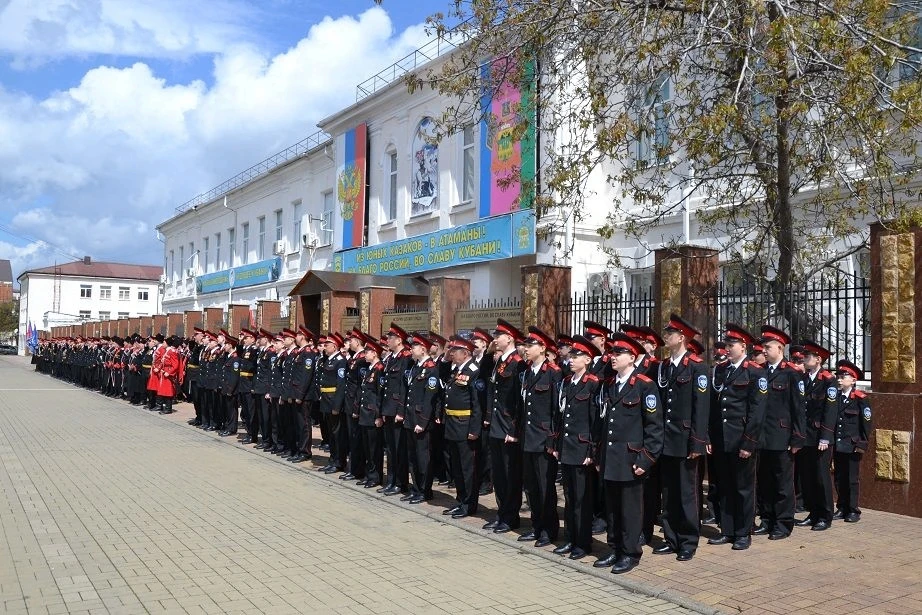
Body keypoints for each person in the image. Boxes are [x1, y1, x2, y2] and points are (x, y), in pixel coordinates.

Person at [593, 332, 663, 574]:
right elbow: (604, 424)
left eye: (619, 353)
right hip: (611, 458)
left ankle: (630, 553)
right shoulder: (610, 384)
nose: (613, 357)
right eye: (612, 352)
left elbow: (654, 428)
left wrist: (646, 459)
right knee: (612, 508)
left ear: (632, 357)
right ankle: (614, 548)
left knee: (630, 510)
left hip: (631, 459)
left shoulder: (645, 385)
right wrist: (599, 455)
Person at [652, 314, 709, 561]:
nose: (666, 337)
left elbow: (701, 407)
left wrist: (697, 441)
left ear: (682, 337)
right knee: (669, 492)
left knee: (687, 493)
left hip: (685, 440)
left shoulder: (697, 367)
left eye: (670, 333)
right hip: (666, 439)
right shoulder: (664, 366)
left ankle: (688, 541)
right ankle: (671, 537)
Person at [707, 324, 766, 551]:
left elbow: (757, 411)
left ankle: (743, 532)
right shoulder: (721, 370)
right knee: (725, 486)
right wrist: (710, 437)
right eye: (727, 345)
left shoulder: (755, 372)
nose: (728, 349)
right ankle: (727, 529)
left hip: (741, 439)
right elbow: (715, 407)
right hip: (722, 438)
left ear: (743, 346)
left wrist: (748, 442)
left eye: (731, 345)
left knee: (743, 488)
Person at [752, 325, 805, 541]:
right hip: (762, 436)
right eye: (763, 347)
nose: (764, 351)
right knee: (764, 481)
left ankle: (783, 524)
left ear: (780, 348)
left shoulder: (791, 373)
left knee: (782, 483)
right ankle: (767, 519)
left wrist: (797, 437)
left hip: (782, 436)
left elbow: (798, 408)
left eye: (768, 347)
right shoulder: (760, 371)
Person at [554, 335, 601, 560]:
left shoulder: (593, 384)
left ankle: (583, 543)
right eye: (571, 355)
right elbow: (561, 416)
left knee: (582, 500)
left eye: (577, 356)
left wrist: (592, 451)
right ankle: (570, 539)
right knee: (570, 497)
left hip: (582, 450)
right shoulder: (566, 382)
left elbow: (596, 421)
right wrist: (557, 444)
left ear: (588, 360)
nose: (571, 359)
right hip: (567, 447)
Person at [517, 327, 562, 548]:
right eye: (525, 345)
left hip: (544, 440)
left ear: (543, 348)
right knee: (531, 487)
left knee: (545, 488)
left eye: (530, 345)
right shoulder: (526, 373)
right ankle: (536, 526)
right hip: (528, 438)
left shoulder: (553, 373)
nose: (526, 349)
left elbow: (557, 411)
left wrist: (552, 440)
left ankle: (548, 530)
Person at [483, 319, 526, 534]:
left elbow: (520, 401)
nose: (495, 339)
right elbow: (488, 383)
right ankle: (502, 513)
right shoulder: (499, 361)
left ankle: (511, 516)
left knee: (510, 476)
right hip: (496, 426)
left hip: (508, 427)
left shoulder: (518, 363)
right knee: (499, 475)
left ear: (509, 338)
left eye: (498, 336)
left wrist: (514, 429)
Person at [795, 340, 837, 531]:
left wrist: (825, 437)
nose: (804, 359)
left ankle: (825, 515)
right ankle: (813, 513)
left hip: (820, 436)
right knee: (807, 476)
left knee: (821, 477)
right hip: (805, 435)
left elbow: (830, 410)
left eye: (808, 356)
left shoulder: (828, 380)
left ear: (818, 359)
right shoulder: (803, 378)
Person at [442, 336, 482, 519]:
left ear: (465, 353)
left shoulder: (473, 371)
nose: (451, 353)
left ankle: (469, 504)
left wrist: (474, 430)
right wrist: (445, 358)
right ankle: (460, 501)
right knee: (457, 467)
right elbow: (442, 374)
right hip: (452, 425)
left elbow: (477, 404)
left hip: (465, 426)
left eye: (454, 351)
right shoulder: (457, 370)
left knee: (467, 469)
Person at [403, 333, 440, 503]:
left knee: (423, 458)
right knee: (412, 457)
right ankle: (416, 488)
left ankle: (425, 490)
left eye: (414, 347)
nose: (411, 349)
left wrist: (423, 422)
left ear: (423, 349)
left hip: (421, 421)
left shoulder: (431, 368)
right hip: (411, 418)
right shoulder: (416, 366)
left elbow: (429, 398)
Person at [833, 359, 871, 523]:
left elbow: (866, 424)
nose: (840, 379)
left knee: (852, 479)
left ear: (853, 380)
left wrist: (862, 445)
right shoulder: (836, 397)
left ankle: (853, 509)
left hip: (852, 445)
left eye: (843, 377)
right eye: (838, 376)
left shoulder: (860, 399)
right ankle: (842, 507)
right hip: (839, 444)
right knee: (839, 477)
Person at [381, 323, 412, 496]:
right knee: (391, 449)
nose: (388, 340)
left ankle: (401, 483)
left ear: (399, 340)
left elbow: (404, 387)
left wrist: (400, 411)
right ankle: (391, 480)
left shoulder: (405, 358)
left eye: (391, 338)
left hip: (397, 410)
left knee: (399, 449)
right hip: (389, 408)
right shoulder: (391, 358)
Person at [317, 333, 348, 474]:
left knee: (337, 434)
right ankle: (332, 460)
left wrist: (337, 405)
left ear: (335, 346)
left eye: (327, 345)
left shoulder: (340, 361)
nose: (324, 347)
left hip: (333, 401)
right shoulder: (328, 360)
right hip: (326, 400)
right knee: (331, 434)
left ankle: (339, 462)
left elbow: (341, 385)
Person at [359, 338, 386, 488]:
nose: (365, 354)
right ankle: (369, 474)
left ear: (374, 353)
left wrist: (378, 416)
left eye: (367, 352)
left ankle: (375, 477)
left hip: (372, 414)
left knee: (374, 448)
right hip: (365, 413)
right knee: (367, 447)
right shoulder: (370, 368)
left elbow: (380, 394)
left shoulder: (379, 369)